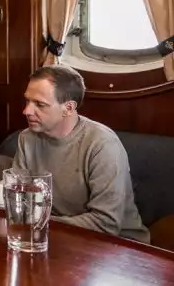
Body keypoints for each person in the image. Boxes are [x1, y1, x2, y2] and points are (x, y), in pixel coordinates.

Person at [13, 64, 149, 242]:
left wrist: (40, 224)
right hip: (53, 236)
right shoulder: (27, 138)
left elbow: (106, 223)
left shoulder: (102, 144)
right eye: (27, 101)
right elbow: (19, 199)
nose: (27, 111)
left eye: (40, 104)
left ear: (68, 108)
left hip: (121, 246)